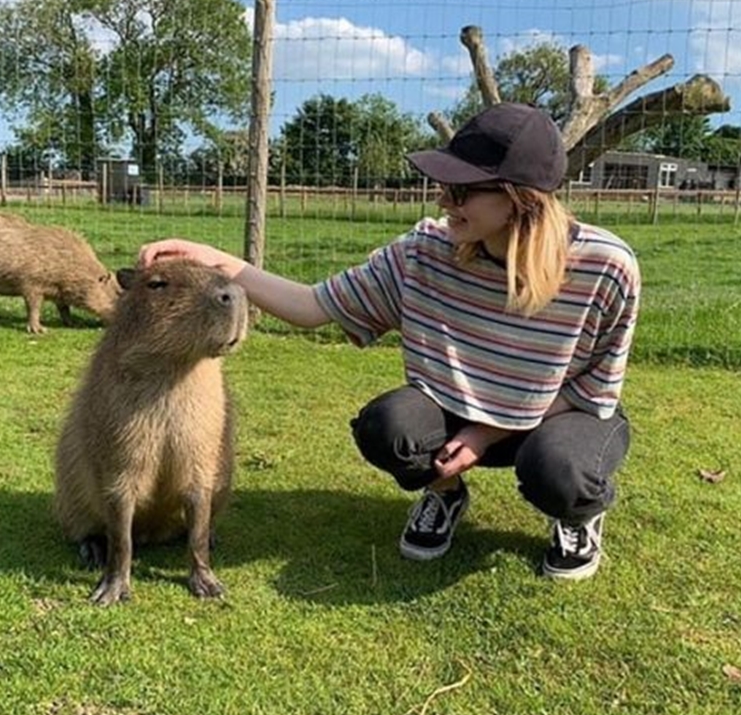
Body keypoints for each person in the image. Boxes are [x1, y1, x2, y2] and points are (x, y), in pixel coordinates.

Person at [139, 102, 640, 580]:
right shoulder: (426, 251)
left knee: (557, 470)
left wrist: (488, 434)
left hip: (560, 417)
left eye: (461, 191)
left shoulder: (606, 267)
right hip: (461, 411)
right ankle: (443, 494)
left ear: (518, 199)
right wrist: (221, 263)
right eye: (442, 185)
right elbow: (313, 306)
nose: (443, 200)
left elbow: (594, 391)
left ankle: (579, 516)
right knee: (388, 426)